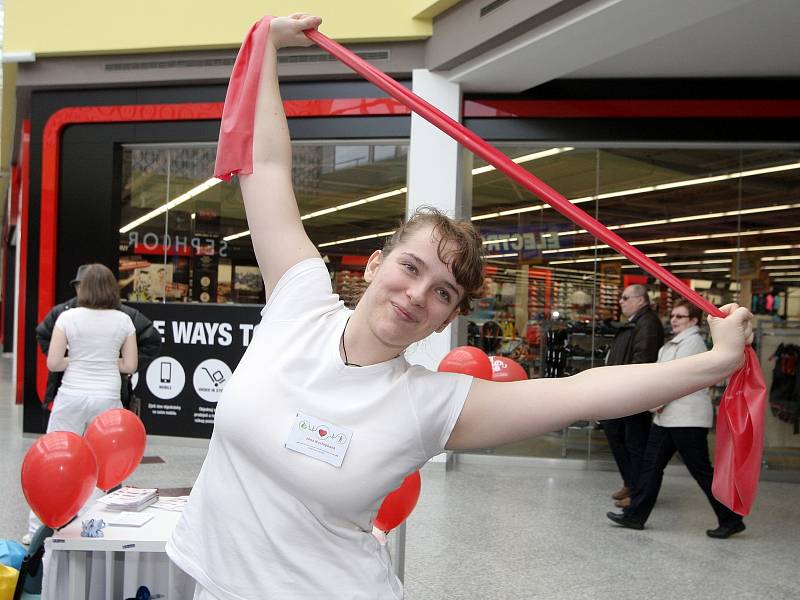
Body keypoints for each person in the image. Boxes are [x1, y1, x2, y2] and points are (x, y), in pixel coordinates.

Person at [165, 14, 754, 600]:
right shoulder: (299, 303)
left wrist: (714, 363)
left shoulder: (428, 404)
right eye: (411, 267)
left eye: (443, 292)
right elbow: (266, 168)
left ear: (448, 319)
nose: (417, 295)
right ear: (375, 263)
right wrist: (266, 46)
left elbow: (585, 391)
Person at [606, 299, 746, 538]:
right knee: (651, 468)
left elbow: (680, 380)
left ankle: (731, 518)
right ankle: (635, 515)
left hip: (687, 420)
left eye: (680, 316)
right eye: (672, 315)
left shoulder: (694, 344)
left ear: (693, 321)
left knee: (701, 471)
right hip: (667, 418)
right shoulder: (672, 344)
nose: (674, 319)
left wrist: (658, 401)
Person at [24, 264, 140, 543]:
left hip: (71, 395)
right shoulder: (123, 321)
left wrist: (76, 360)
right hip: (107, 396)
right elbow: (131, 365)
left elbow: (53, 362)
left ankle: (36, 530)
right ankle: (92, 525)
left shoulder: (68, 317)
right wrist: (106, 361)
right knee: (101, 465)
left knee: (52, 457)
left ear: (83, 288)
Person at [601, 284, 665, 508]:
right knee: (615, 432)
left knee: (635, 441)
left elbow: (643, 360)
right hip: (621, 391)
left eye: (626, 297)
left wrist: (627, 387)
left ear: (641, 300)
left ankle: (638, 491)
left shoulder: (647, 323)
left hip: (632, 393)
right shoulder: (636, 322)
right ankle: (631, 482)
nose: (621, 301)